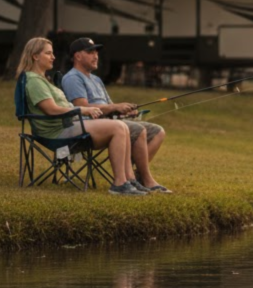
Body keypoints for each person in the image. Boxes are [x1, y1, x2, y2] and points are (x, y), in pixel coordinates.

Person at [15, 37, 149, 196]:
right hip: (57, 132)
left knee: (124, 127)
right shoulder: (34, 80)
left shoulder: (43, 80)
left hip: (68, 126)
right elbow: (51, 110)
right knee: (118, 127)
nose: (53, 57)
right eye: (48, 53)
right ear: (35, 56)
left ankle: (129, 180)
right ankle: (119, 184)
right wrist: (83, 110)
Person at [61, 37, 172, 194]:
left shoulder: (97, 79)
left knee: (158, 132)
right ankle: (141, 180)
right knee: (139, 130)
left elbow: (109, 106)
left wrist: (123, 111)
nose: (96, 56)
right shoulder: (73, 78)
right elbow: (82, 107)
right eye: (90, 52)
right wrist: (114, 107)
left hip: (110, 123)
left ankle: (137, 175)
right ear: (77, 56)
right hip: (89, 128)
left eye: (96, 52)